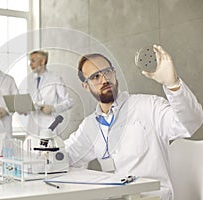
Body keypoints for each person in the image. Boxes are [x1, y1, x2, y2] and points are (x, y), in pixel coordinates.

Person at [64, 45, 203, 200]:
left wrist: (173, 84)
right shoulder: (90, 125)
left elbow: (191, 122)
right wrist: (42, 152)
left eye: (107, 72)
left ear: (114, 73)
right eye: (95, 77)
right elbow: (66, 155)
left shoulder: (148, 106)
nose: (104, 79)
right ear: (86, 86)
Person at [26, 50, 73, 136]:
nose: (30, 64)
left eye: (33, 60)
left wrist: (53, 108)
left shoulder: (55, 78)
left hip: (49, 124)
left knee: (49, 148)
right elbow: (31, 101)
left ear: (43, 61)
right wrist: (24, 109)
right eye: (30, 61)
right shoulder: (31, 80)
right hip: (33, 126)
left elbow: (69, 102)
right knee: (30, 148)